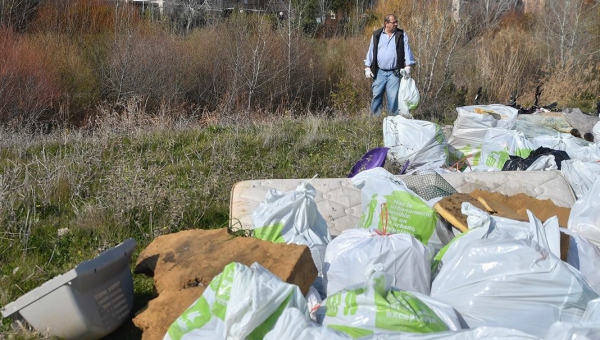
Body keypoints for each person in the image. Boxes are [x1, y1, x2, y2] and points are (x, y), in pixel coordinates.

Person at [364, 14, 416, 116]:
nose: (396, 24)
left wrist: (408, 66)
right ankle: (376, 119)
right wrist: (367, 67)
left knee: (393, 97)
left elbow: (407, 50)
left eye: (397, 22)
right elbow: (371, 51)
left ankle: (393, 120)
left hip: (394, 73)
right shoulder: (377, 35)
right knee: (377, 95)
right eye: (394, 22)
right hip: (379, 72)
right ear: (386, 23)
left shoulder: (401, 35)